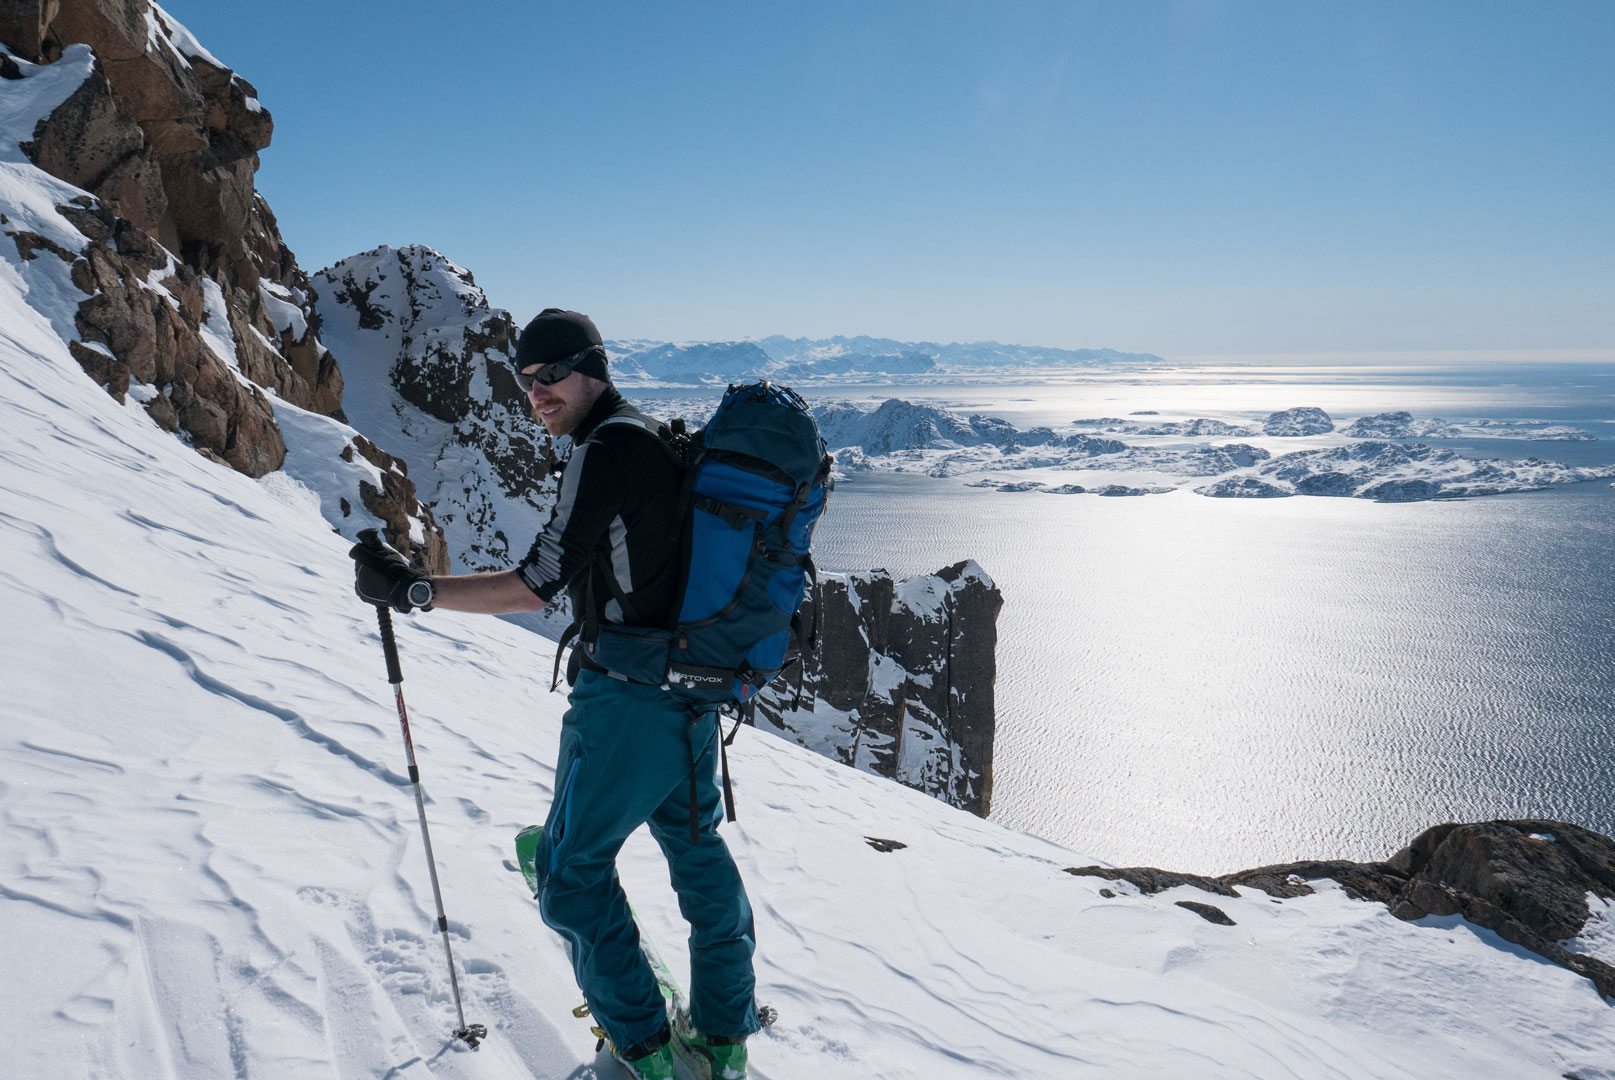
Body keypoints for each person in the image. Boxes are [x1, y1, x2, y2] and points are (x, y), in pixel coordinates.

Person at [351, 309, 762, 1080]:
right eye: (523, 379)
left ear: (591, 367)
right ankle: (723, 1036)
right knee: (699, 858)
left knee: (571, 878)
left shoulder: (607, 448)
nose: (535, 392)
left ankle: (645, 1051)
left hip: (629, 698)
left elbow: (534, 585)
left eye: (549, 376)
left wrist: (412, 591)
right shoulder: (650, 437)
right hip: (691, 692)